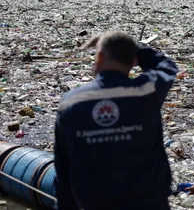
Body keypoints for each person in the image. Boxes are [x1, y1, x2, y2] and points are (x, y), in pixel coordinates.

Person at [54, 31, 178, 210]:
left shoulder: (71, 102)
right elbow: (167, 67)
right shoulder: (146, 91)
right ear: (133, 61)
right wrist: (138, 49)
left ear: (99, 58)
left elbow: (63, 172)